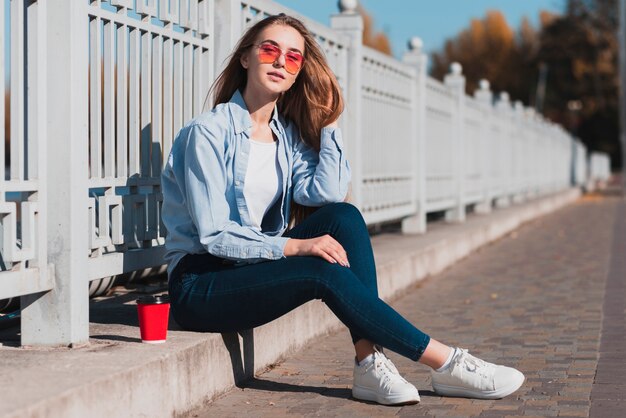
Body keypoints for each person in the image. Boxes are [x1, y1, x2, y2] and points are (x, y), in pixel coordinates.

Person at [161, 13, 525, 406]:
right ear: (246, 59)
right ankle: (447, 362)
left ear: (299, 72)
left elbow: (328, 193)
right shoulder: (208, 133)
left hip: (250, 270)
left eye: (294, 57)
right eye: (270, 50)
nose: (281, 61)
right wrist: (296, 247)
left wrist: (328, 121)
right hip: (201, 285)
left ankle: (369, 362)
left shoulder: (287, 137)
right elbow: (216, 235)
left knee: (345, 218)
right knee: (320, 267)